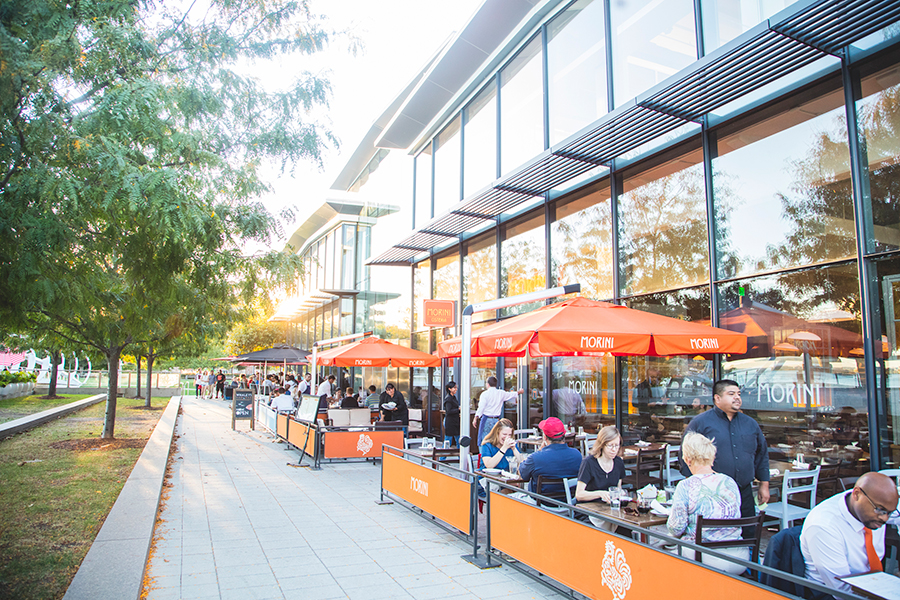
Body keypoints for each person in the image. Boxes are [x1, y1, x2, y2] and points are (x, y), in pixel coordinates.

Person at [682, 379, 769, 531]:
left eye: (739, 394)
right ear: (717, 398)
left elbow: (761, 454)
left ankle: (748, 555)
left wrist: (764, 484)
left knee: (749, 534)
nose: (737, 397)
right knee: (716, 535)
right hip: (712, 493)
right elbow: (685, 454)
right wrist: (692, 485)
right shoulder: (700, 423)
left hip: (744, 492)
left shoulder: (750, 424)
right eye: (731, 394)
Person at [801, 472, 900, 593]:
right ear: (856, 494)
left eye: (889, 513)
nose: (885, 518)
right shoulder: (824, 525)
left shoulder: (869, 507)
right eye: (880, 510)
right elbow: (842, 590)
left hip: (871, 583)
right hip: (830, 593)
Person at [667, 432, 746, 575]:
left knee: (659, 547)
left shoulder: (686, 486)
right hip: (739, 556)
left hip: (705, 556)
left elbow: (675, 529)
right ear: (711, 457)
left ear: (688, 459)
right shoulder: (729, 482)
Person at [518, 417, 582, 494]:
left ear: (545, 437)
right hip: (569, 502)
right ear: (564, 435)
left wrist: (540, 450)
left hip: (540, 503)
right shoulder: (577, 455)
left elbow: (523, 475)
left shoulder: (536, 458)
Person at [574, 426, 626, 503]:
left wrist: (620, 493)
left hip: (608, 507)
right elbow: (579, 495)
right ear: (602, 445)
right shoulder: (588, 463)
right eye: (610, 445)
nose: (614, 449)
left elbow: (618, 487)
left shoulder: (618, 462)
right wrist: (600, 494)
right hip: (589, 508)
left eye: (616, 445)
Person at [473, 376, 521, 446]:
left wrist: (476, 417)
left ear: (488, 384)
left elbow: (481, 408)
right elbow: (511, 395)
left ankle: (485, 455)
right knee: (496, 440)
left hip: (486, 419)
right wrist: (519, 392)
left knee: (485, 440)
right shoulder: (501, 393)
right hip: (496, 420)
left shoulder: (485, 394)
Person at [443, 381, 460, 447]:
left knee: (458, 440)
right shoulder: (448, 399)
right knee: (448, 441)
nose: (456, 389)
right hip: (450, 422)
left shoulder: (453, 398)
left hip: (455, 421)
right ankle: (442, 457)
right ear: (449, 389)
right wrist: (458, 409)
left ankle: (460, 456)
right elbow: (448, 411)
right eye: (454, 388)